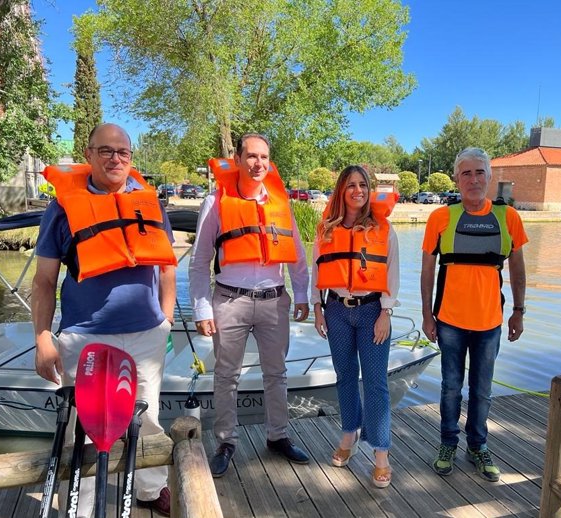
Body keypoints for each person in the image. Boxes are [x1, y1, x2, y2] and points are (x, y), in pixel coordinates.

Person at [31, 123, 176, 517]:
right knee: (82, 431)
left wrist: (166, 318)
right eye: (106, 151)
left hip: (146, 334)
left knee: (148, 420)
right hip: (85, 336)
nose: (115, 159)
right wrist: (43, 338)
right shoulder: (62, 208)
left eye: (123, 153)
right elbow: (44, 281)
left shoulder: (150, 202)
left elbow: (166, 268)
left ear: (131, 158)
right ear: (89, 154)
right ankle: (81, 506)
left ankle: (149, 490)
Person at [189, 133, 311, 478]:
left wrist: (300, 293)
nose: (258, 164)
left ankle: (278, 436)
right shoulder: (216, 202)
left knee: (277, 374)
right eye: (252, 156)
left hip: (274, 301)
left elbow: (298, 256)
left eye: (264, 157)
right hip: (229, 301)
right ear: (239, 159)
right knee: (226, 376)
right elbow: (199, 262)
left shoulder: (280, 202)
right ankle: (226, 442)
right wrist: (202, 307)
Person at [421, 147, 527, 482]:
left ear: (490, 178)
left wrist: (519, 311)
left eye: (480, 172)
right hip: (449, 321)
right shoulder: (441, 217)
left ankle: (478, 445)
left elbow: (518, 268)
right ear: (457, 178)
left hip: (489, 323)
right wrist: (427, 314)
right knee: (451, 387)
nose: (473, 179)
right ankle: (448, 443)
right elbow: (426, 270)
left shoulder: (508, 217)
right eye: (466, 173)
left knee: (482, 390)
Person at [311, 165, 399, 489]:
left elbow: (392, 272)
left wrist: (386, 313)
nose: (357, 190)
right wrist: (318, 308)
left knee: (376, 383)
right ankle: (349, 434)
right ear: (341, 191)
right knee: (345, 377)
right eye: (351, 185)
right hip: (335, 310)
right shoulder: (327, 230)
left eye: (363, 185)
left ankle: (381, 454)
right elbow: (315, 270)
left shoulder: (383, 229)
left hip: (371, 311)